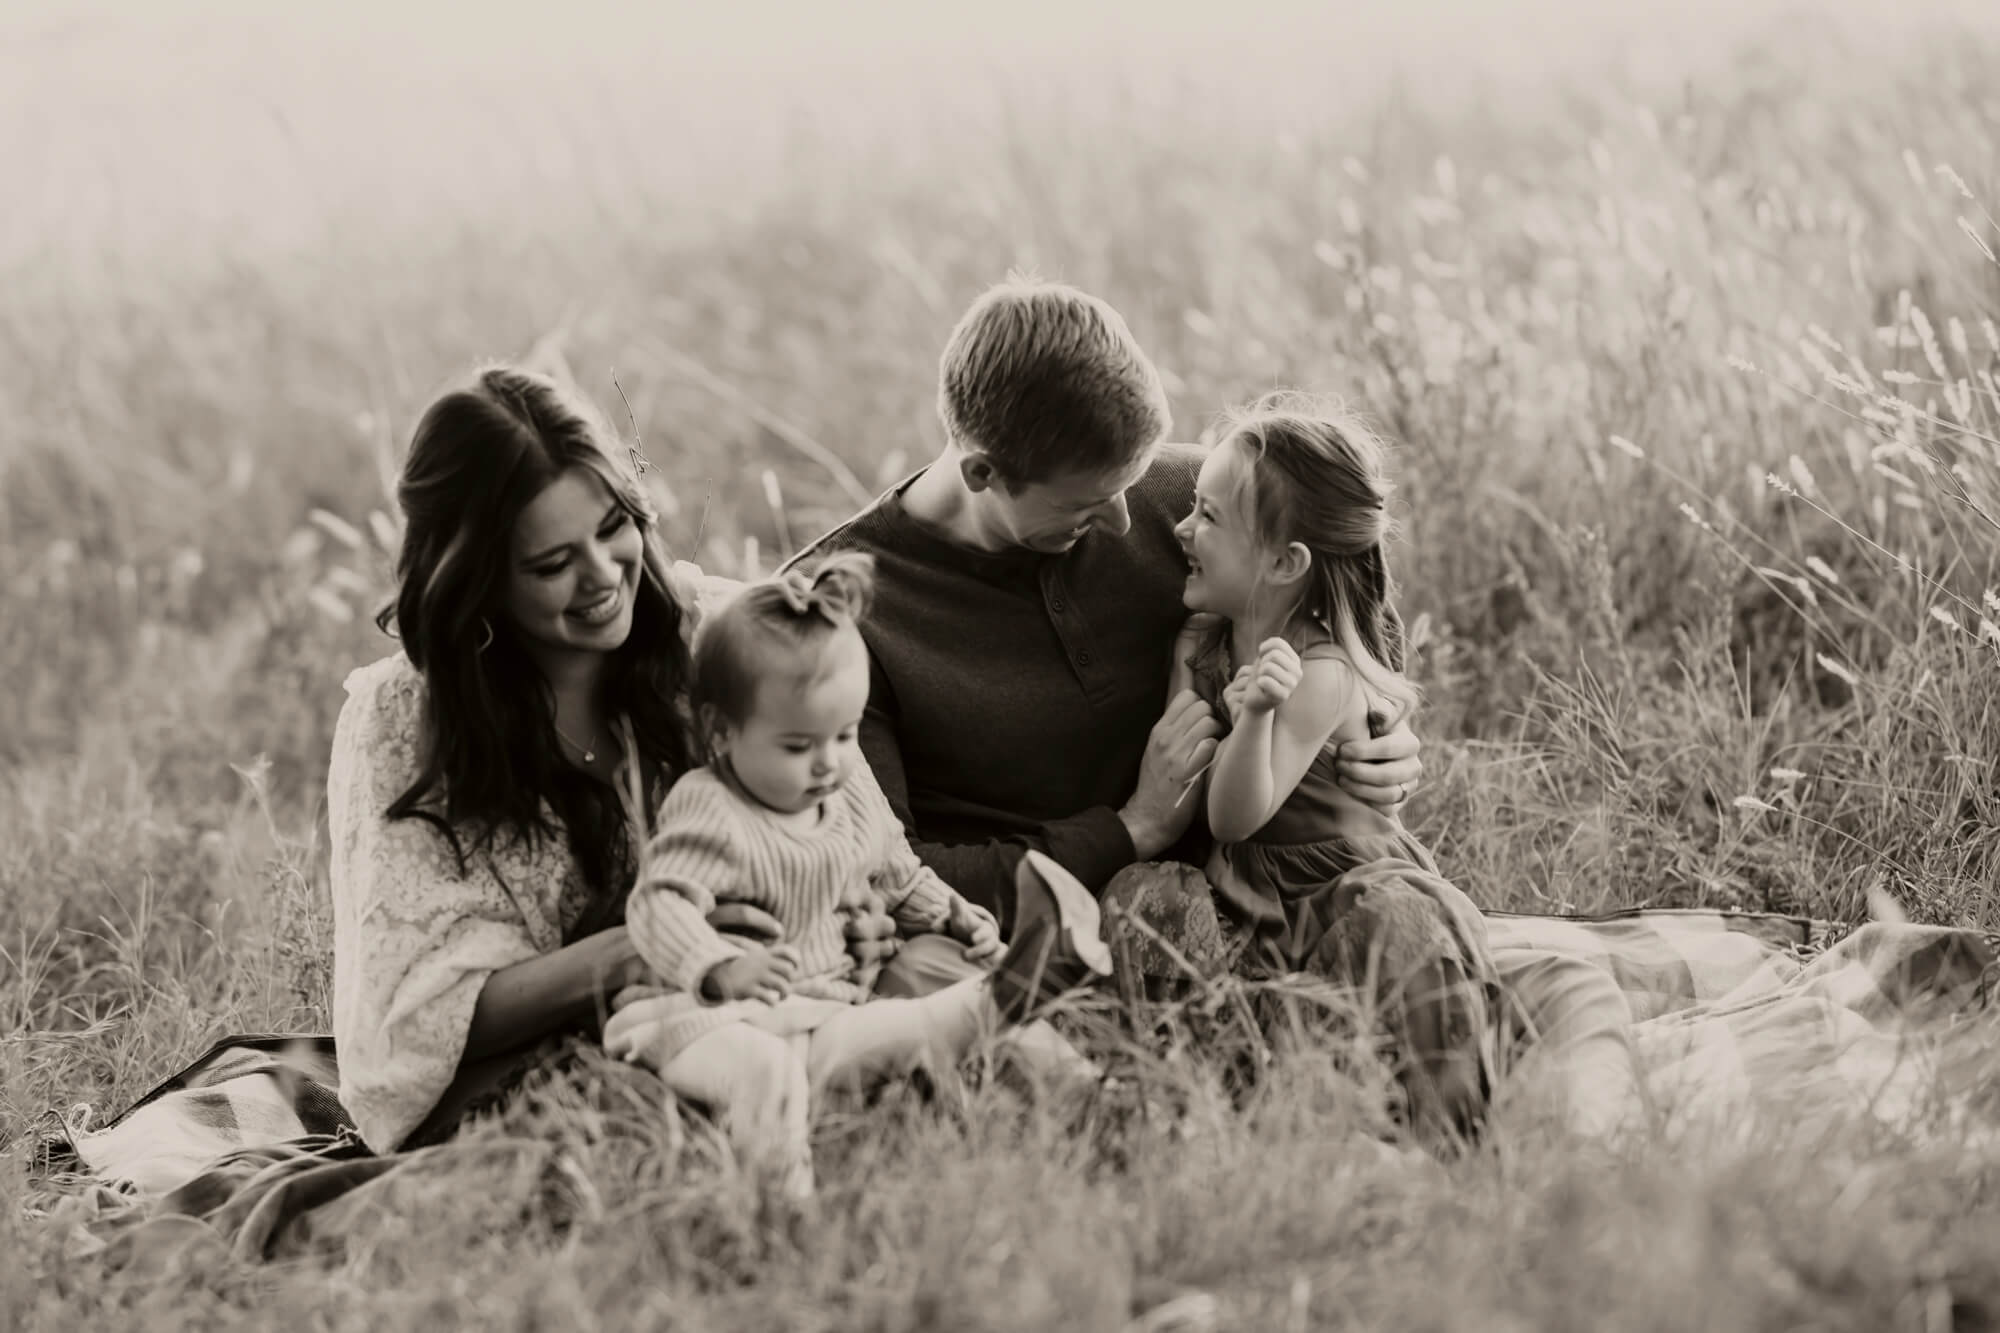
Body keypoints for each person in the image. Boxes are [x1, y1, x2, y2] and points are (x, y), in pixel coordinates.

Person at [795, 276, 1639, 1137]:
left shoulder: (1186, 499)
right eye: (1091, 504)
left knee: (1563, 985)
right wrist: (1127, 829)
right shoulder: (838, 618)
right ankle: (1171, 1125)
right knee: (932, 992)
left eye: (1138, 482)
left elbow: (1336, 596)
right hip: (1061, 942)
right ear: (982, 471)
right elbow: (885, 875)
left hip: (1267, 920)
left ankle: (1535, 1177)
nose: (1136, 523)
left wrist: (1375, 729)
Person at [327, 365, 912, 1153]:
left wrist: (853, 917)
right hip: (534, 1065)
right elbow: (414, 1023)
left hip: (756, 1003)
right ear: (478, 578)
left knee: (941, 1020)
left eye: (612, 528)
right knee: (639, 1131)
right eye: (550, 563)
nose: (603, 576)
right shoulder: (403, 721)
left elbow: (859, 846)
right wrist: (639, 950)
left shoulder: (716, 636)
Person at [610, 553, 1110, 1194]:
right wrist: (716, 966)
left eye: (844, 736)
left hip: (819, 1014)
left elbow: (900, 876)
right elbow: (659, 904)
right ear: (720, 732)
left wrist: (959, 919)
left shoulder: (844, 796)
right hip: (704, 1020)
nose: (828, 763)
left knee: (911, 1029)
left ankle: (1012, 986)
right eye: (798, 746)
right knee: (767, 1075)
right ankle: (781, 1220)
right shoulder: (710, 805)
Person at [1169, 391, 1491, 1131]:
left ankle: (1439, 1131)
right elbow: (1184, 785)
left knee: (1393, 941)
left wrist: (1252, 718)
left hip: (1334, 884)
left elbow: (1234, 813)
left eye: (1208, 517)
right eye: (1194, 506)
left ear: (1285, 562)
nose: (1182, 528)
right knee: (1153, 902)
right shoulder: (1198, 639)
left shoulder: (1320, 674)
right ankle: (1219, 1100)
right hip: (1247, 891)